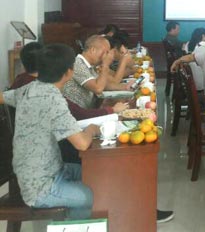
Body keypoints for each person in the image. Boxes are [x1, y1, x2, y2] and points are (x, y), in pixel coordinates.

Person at [0, 44, 100, 219]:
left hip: (50, 170)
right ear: (69, 72)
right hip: (40, 187)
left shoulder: (29, 89)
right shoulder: (53, 100)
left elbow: (2, 96)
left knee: (97, 173)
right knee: (91, 196)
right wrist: (92, 129)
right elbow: (82, 144)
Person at [62, 35, 130, 109]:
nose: (107, 56)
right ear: (93, 50)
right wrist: (105, 65)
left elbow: (105, 85)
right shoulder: (78, 64)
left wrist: (127, 87)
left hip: (89, 109)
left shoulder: (90, 65)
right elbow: (98, 88)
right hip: (77, 113)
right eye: (106, 52)